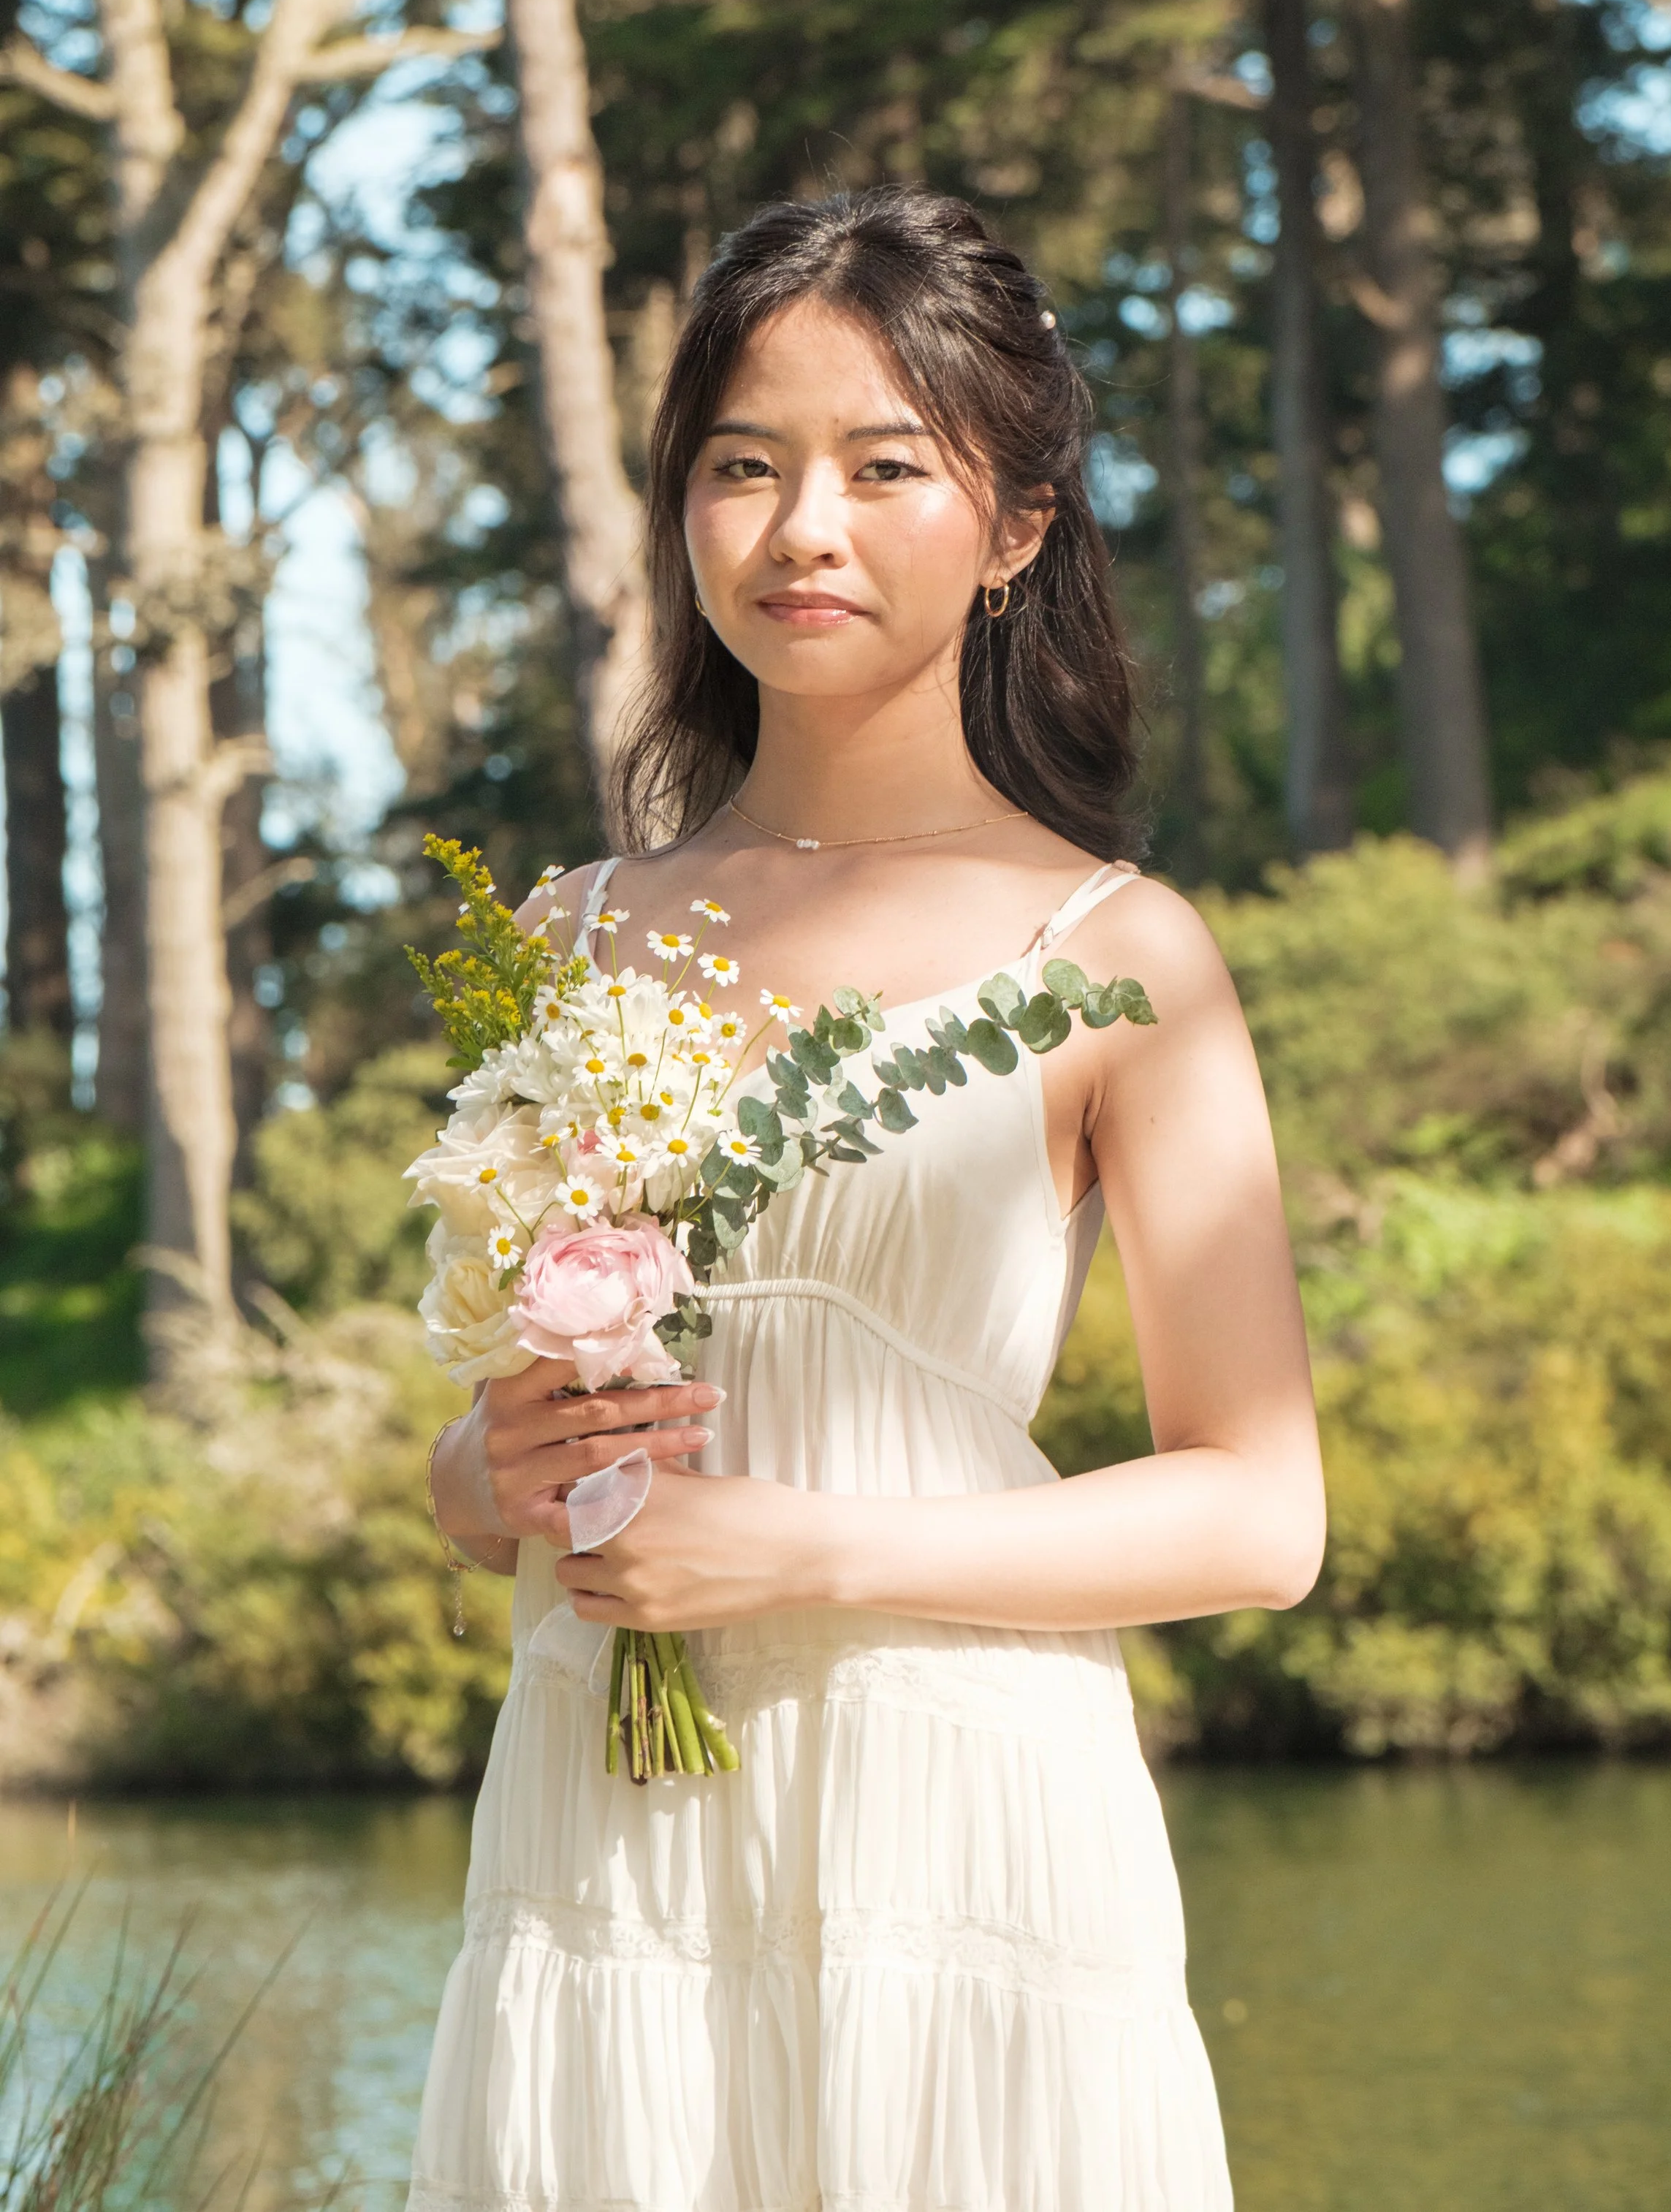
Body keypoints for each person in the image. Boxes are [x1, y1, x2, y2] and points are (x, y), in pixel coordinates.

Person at [413, 186, 1325, 2212]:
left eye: (883, 466)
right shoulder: (567, 935)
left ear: (1016, 528)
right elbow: (483, 1462)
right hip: (613, 1814)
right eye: (741, 466)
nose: (800, 527)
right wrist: (490, 1467)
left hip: (960, 1806)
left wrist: (803, 1547)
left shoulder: (1118, 950)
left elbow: (1263, 1513)